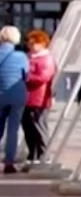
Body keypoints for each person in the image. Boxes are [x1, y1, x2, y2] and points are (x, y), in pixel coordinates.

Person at [21, 30, 54, 167]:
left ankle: (44, 154)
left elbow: (44, 77)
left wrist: (26, 78)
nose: (31, 45)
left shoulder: (46, 59)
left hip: (39, 98)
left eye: (34, 43)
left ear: (42, 43)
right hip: (26, 97)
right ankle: (32, 154)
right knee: (28, 127)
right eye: (29, 43)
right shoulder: (28, 57)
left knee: (39, 127)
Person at [0, 26, 28, 174]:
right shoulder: (21, 56)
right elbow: (26, 76)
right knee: (13, 130)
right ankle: (9, 163)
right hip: (17, 95)